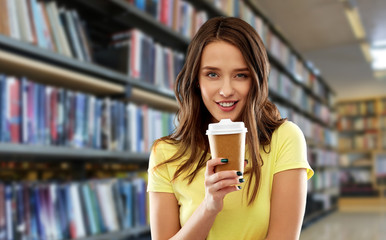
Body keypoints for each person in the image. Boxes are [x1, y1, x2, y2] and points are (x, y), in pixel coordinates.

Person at [147, 16, 314, 240]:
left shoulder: (284, 138)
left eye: (240, 75)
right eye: (212, 74)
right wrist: (209, 206)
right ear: (196, 79)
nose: (226, 90)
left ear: (256, 79)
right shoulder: (165, 153)